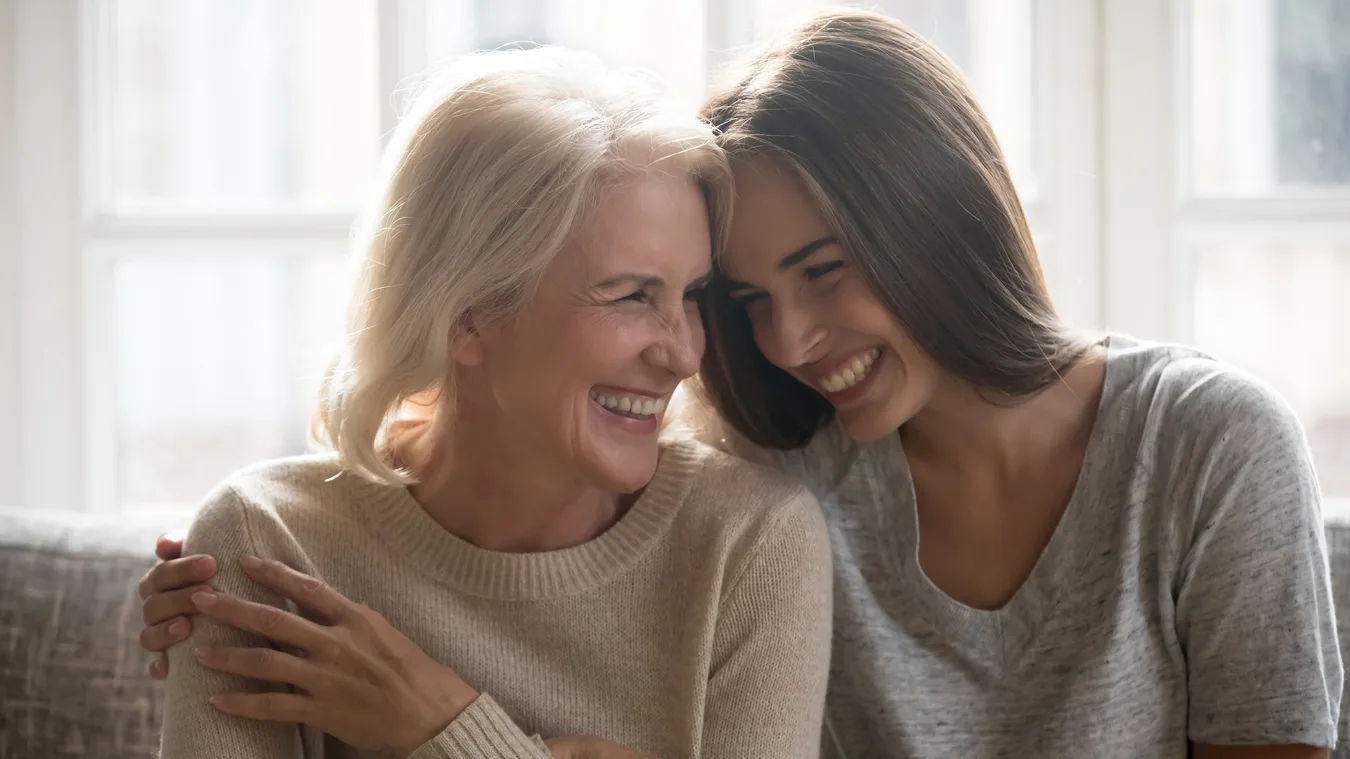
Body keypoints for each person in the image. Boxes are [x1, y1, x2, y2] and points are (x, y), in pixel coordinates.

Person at [141, 9, 1342, 758]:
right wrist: (225, 567)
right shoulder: (784, 463)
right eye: (749, 300)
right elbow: (513, 438)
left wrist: (450, 734)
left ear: (930, 219)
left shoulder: (1206, 447)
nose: (786, 342)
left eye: (823, 270)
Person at [148, 45, 833, 759]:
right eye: (632, 295)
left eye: (691, 295)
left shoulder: (750, 541)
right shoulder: (268, 542)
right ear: (468, 314)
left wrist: (440, 731)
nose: (685, 354)